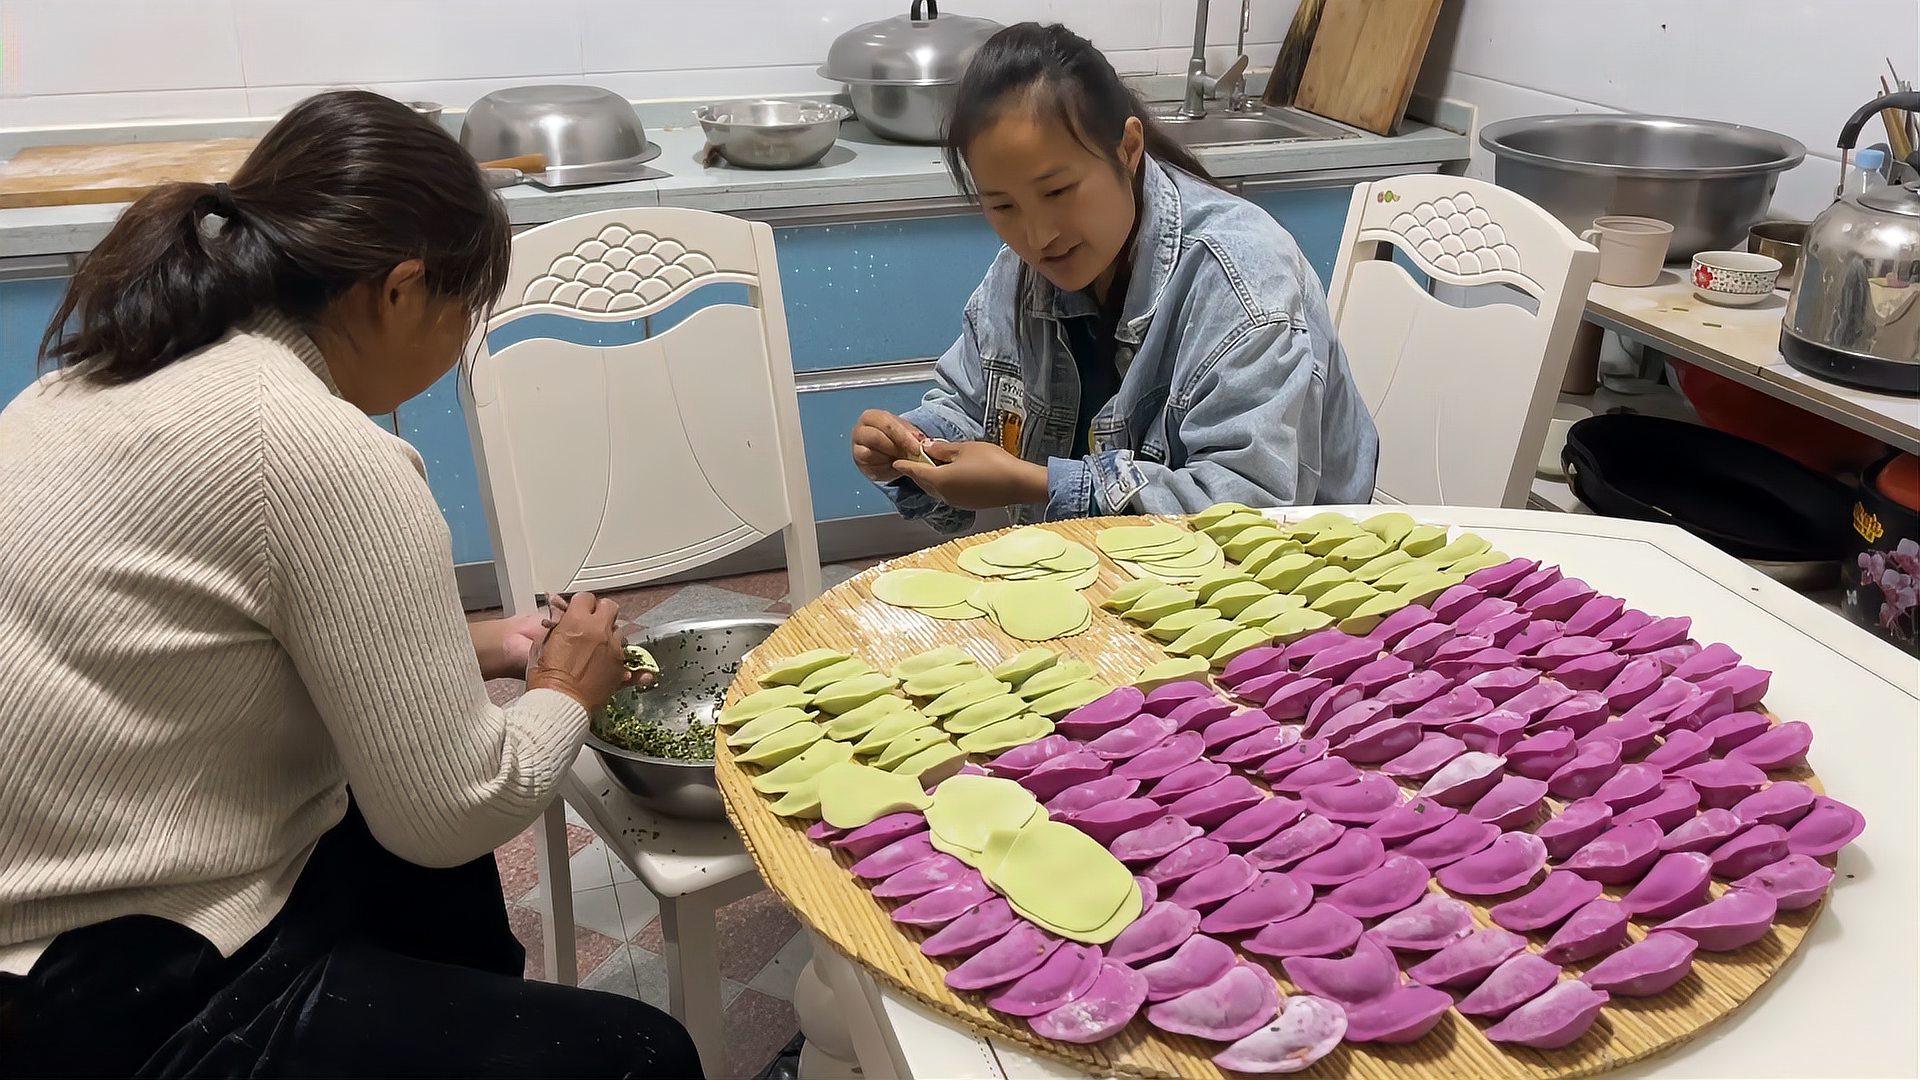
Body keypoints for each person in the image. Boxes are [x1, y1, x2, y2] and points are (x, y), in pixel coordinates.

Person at [0, 91, 702, 1078]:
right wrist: (564, 694)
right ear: (400, 290)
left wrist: (499, 648)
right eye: (464, 313)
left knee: (424, 874)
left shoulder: (117, 367)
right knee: (641, 1053)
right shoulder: (321, 453)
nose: (458, 347)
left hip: (63, 889)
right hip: (107, 986)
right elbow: (456, 807)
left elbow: (223, 644)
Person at [850, 22, 1379, 534]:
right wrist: (914, 444)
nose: (1037, 236)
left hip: (1292, 586)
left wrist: (1037, 484)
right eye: (1003, 205)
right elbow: (972, 398)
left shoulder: (1240, 278)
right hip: (1113, 569)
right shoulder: (1022, 272)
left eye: (1057, 192)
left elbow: (1246, 508)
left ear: (1128, 150)